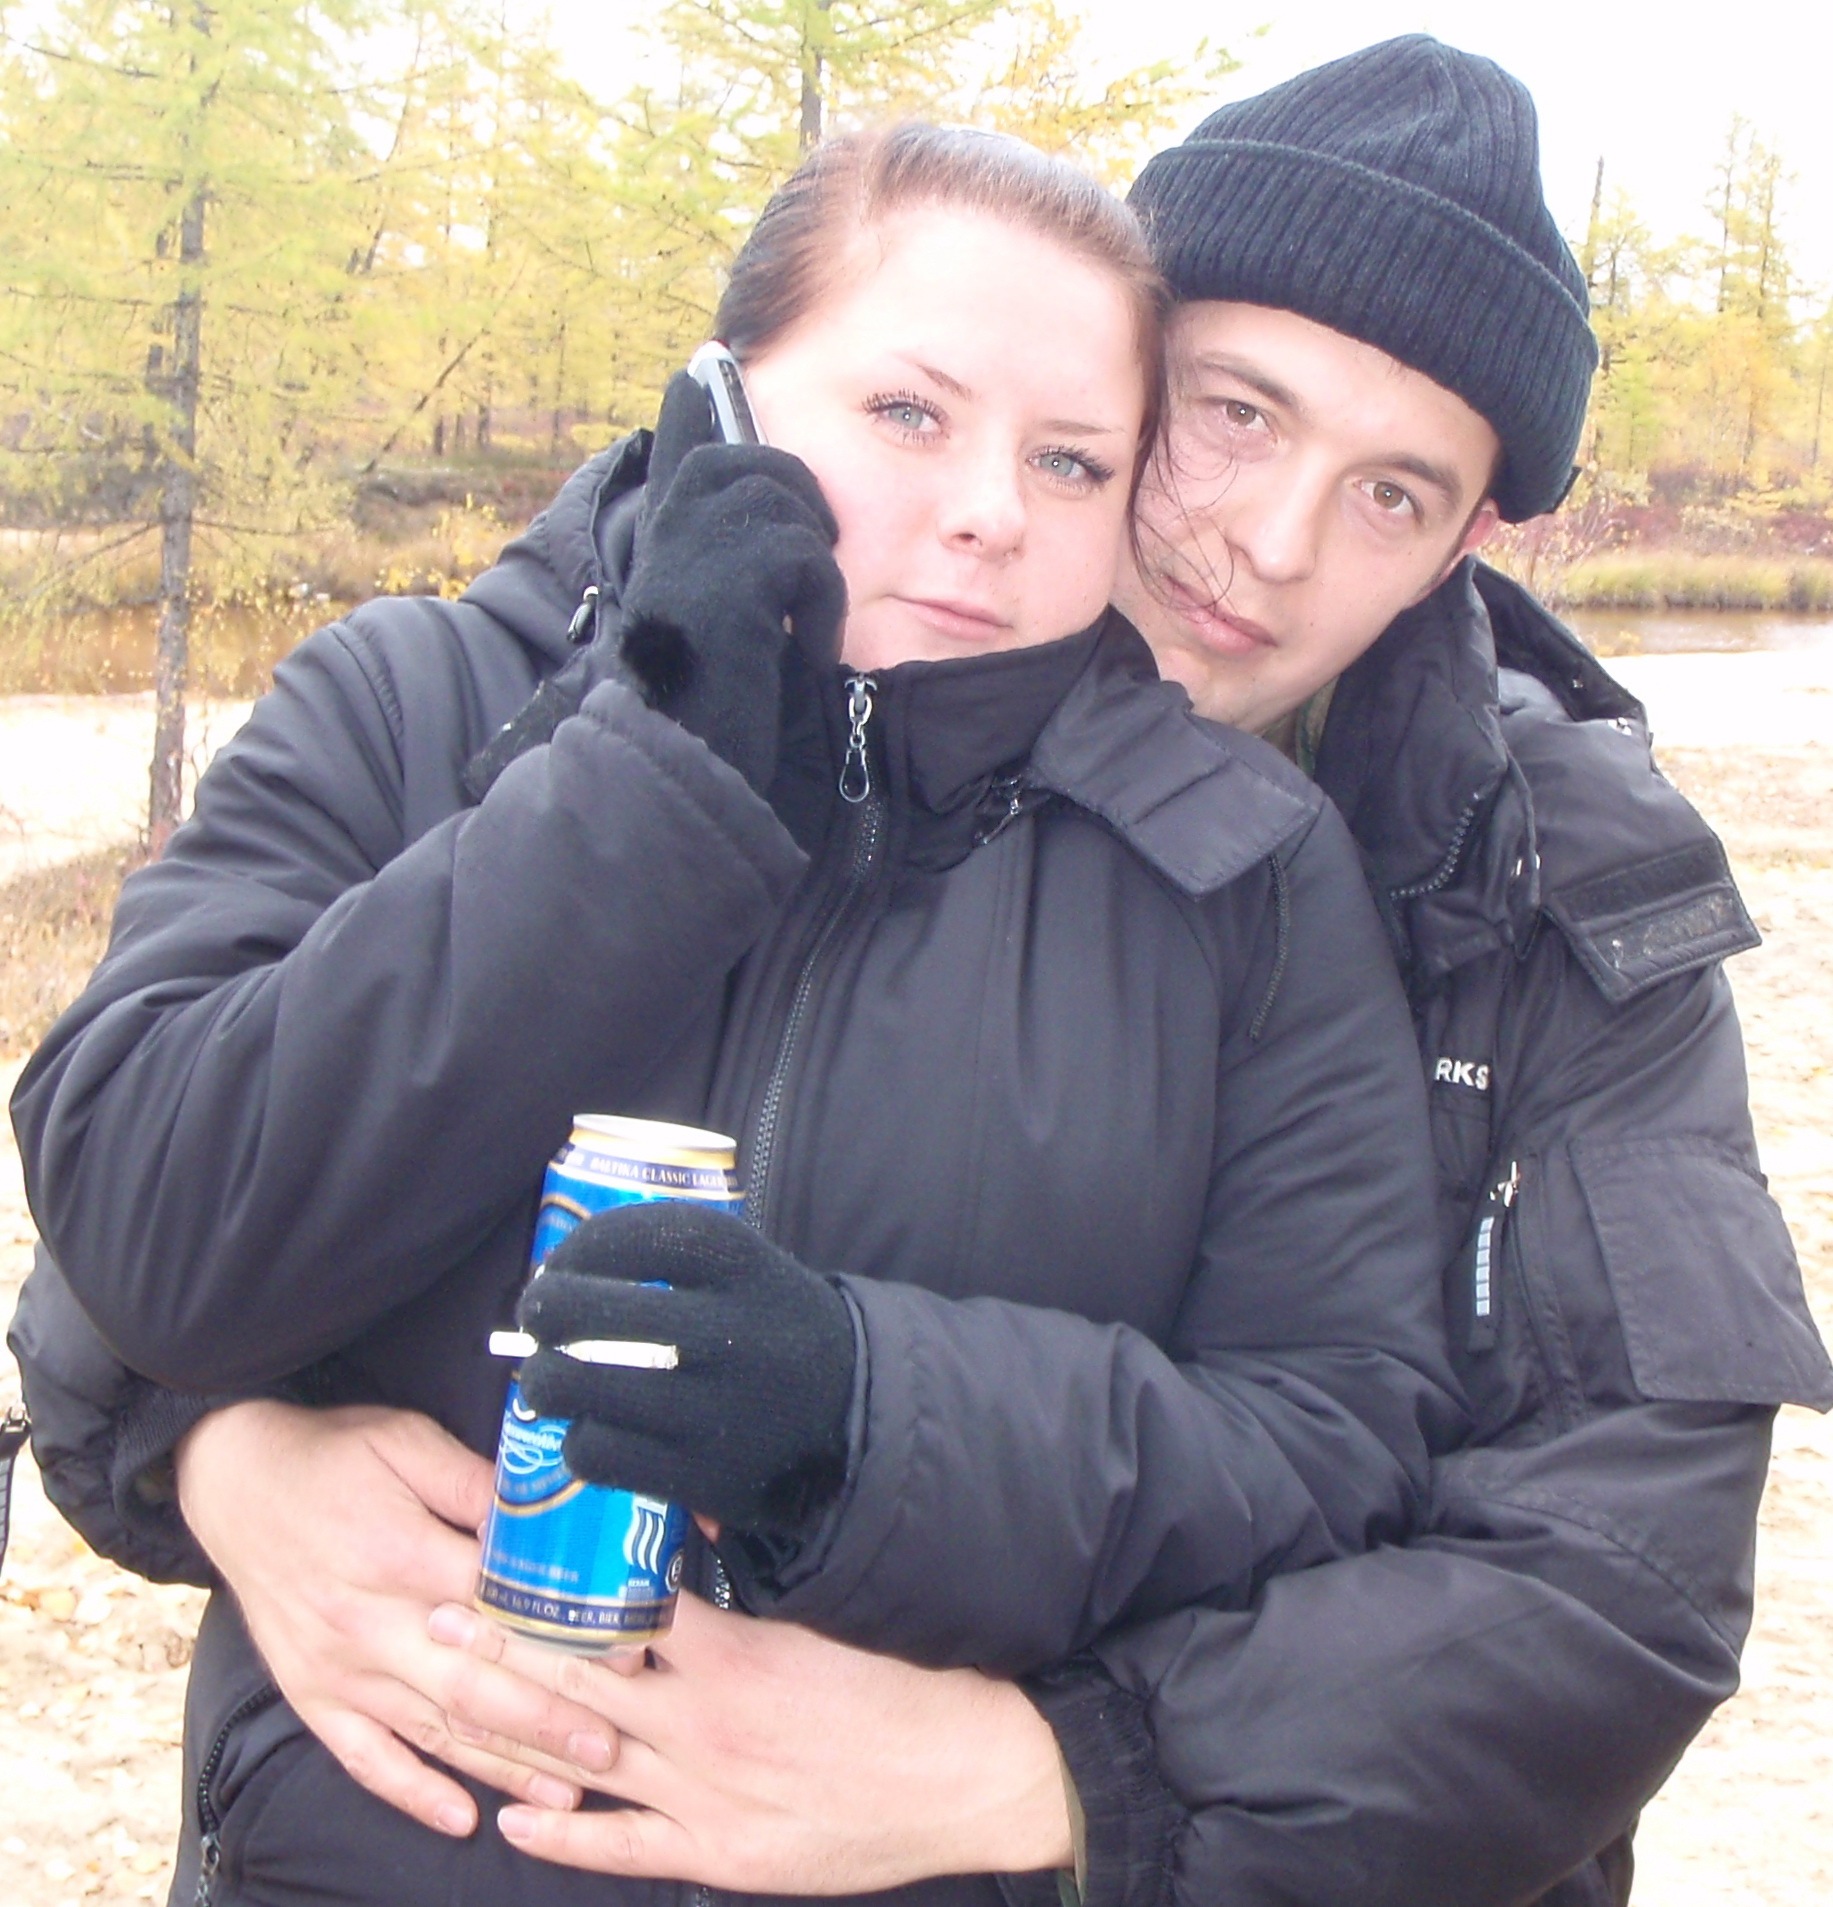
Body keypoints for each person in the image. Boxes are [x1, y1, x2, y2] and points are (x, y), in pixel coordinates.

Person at [6, 121, 1463, 1907]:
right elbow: (142, 1237)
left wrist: (869, 1414)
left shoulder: (1241, 875)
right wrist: (641, 789)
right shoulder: (408, 706)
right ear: (723, 404)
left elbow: (1332, 1446)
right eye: (908, 413)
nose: (993, 509)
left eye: (1071, 461)